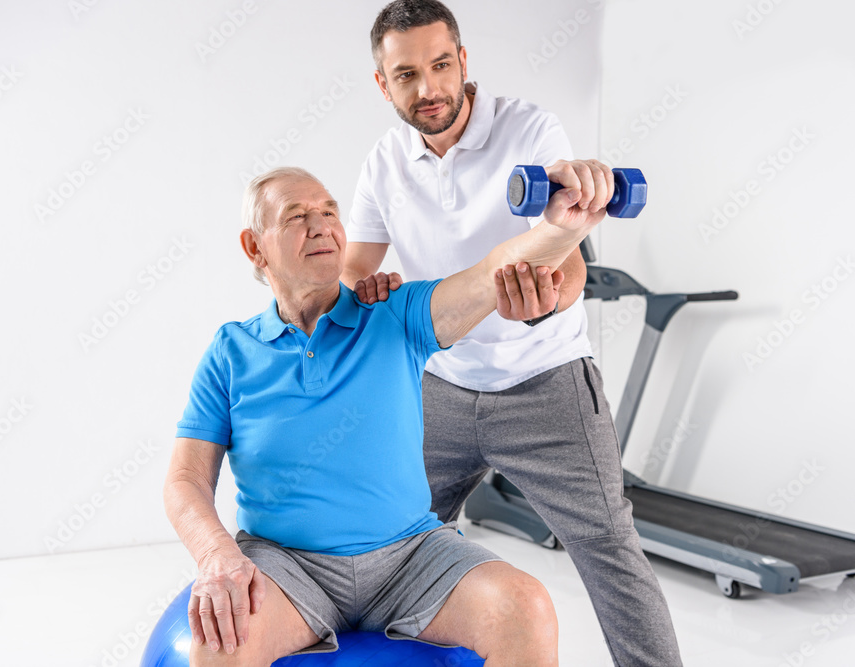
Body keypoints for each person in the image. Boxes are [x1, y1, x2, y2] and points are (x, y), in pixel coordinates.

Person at [340, 2, 682, 665]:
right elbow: (357, 266)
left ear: (464, 61)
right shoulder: (384, 162)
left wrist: (548, 297)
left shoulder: (528, 130)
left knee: (609, 547)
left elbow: (571, 262)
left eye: (441, 65)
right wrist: (367, 287)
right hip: (439, 385)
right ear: (383, 84)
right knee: (391, 540)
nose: (429, 88)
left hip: (546, 384)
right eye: (407, 74)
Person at [164, 164, 613, 666]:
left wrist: (562, 227)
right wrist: (216, 554)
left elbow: (491, 274)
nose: (321, 225)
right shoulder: (231, 351)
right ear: (255, 247)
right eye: (296, 216)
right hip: (286, 564)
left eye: (329, 211)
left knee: (526, 606)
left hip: (411, 556)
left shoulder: (397, 313)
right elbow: (186, 479)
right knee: (222, 640)